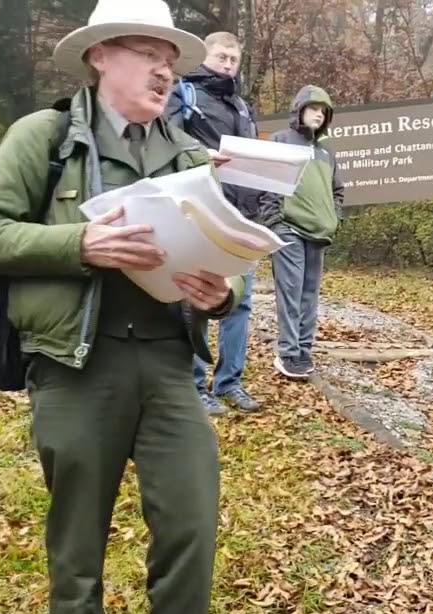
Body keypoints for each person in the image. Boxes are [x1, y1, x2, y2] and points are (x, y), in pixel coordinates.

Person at [0, 1, 246, 614]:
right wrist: (78, 246)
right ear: (100, 56)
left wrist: (219, 294)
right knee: (78, 549)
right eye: (147, 50)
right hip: (77, 369)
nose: (163, 66)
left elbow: (225, 273)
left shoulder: (186, 151)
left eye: (170, 55)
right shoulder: (44, 137)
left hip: (170, 369)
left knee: (191, 531)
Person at [164, 30, 262, 414]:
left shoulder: (241, 105)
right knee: (199, 299)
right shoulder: (183, 94)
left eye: (233, 59)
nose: (227, 64)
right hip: (200, 214)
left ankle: (230, 382)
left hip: (241, 218)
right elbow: (164, 141)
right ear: (205, 57)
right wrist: (200, 154)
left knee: (241, 304)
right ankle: (194, 384)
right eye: (221, 57)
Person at [257, 85, 344, 380]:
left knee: (309, 294)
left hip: (319, 232)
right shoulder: (281, 140)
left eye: (323, 111)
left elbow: (338, 191)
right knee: (290, 292)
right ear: (300, 109)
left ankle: (304, 349)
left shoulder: (326, 153)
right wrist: (274, 222)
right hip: (289, 228)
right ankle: (288, 352)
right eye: (314, 108)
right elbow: (267, 183)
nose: (318, 114)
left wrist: (335, 218)